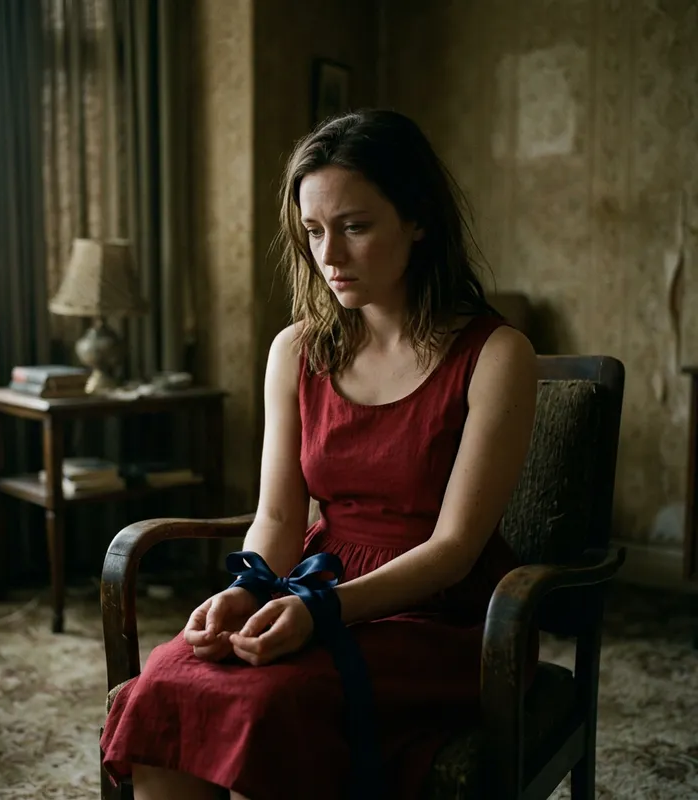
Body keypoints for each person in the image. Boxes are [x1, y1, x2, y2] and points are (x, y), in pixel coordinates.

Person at [100, 109, 538, 800]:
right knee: (167, 685)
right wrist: (246, 589)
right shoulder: (296, 350)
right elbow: (278, 516)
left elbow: (454, 549)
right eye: (312, 231)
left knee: (270, 704)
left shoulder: (496, 354)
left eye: (355, 227)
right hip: (311, 580)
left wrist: (325, 611)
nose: (328, 255)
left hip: (439, 614)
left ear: (418, 219)